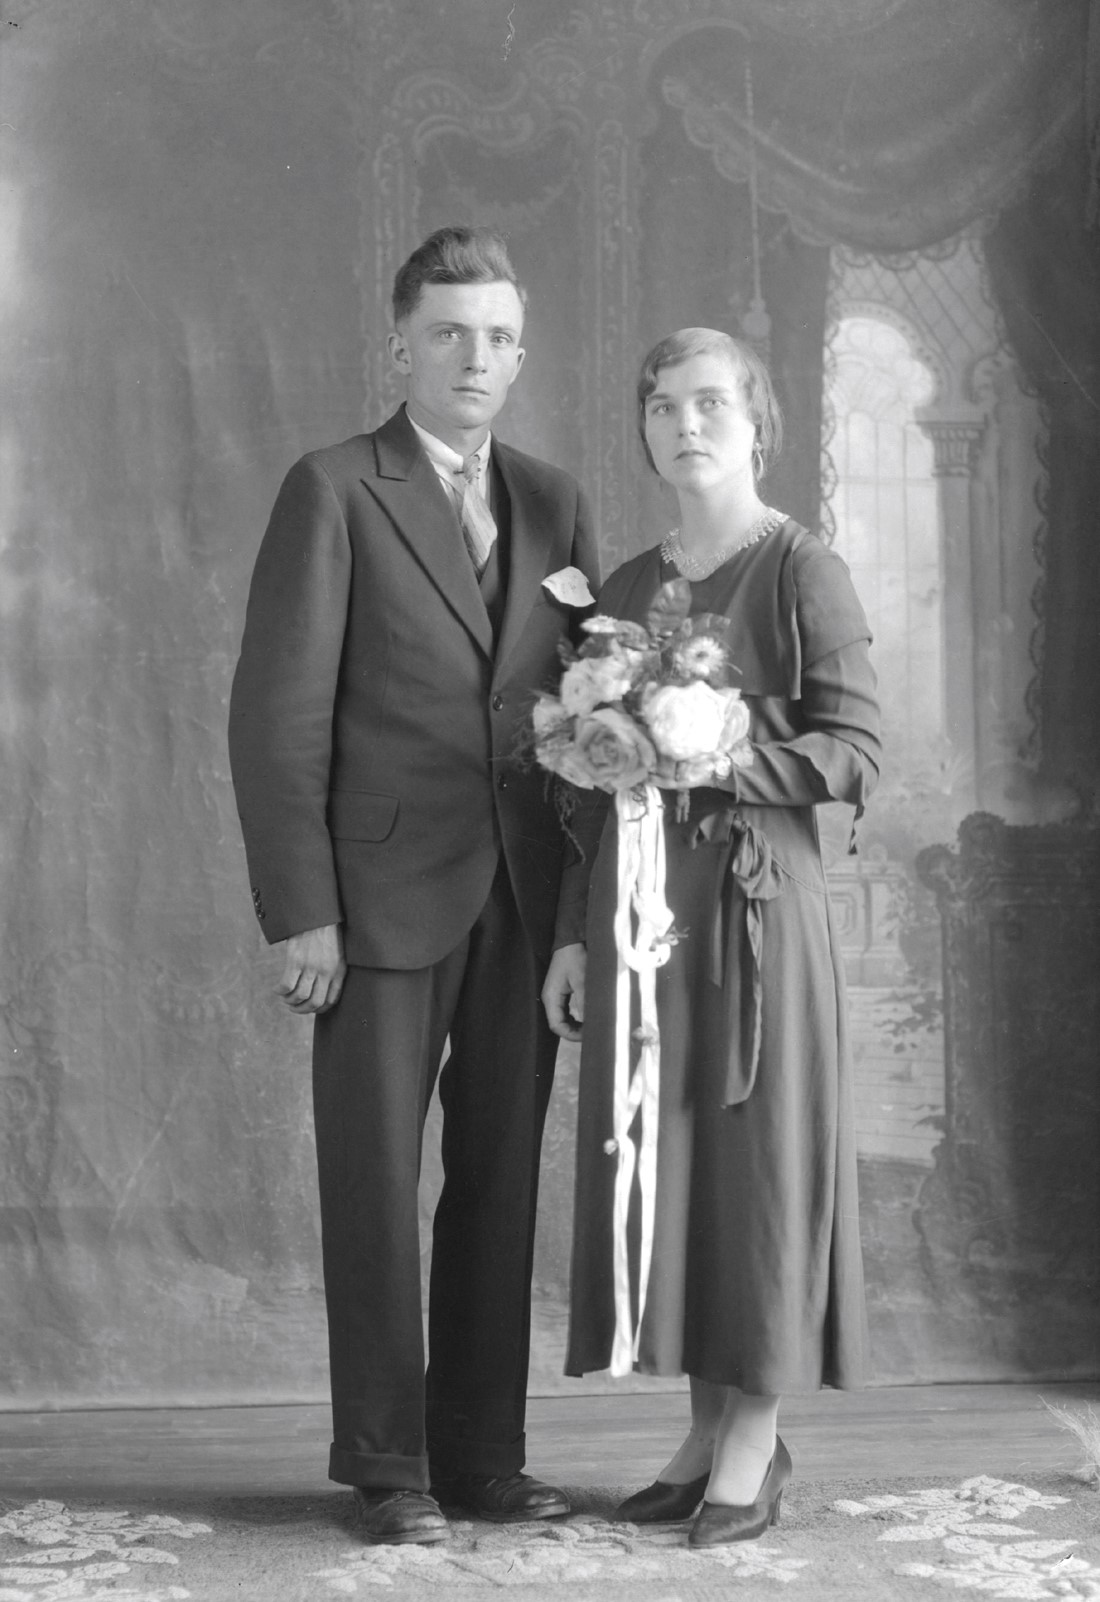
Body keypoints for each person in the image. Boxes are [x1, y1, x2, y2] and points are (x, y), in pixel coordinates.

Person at [228, 226, 598, 1546]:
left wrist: (572, 922)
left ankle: (483, 1459)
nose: (477, 357)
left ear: (520, 347)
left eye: (499, 335)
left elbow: (587, 726)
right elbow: (276, 719)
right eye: (451, 332)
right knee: (377, 1182)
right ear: (403, 342)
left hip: (521, 893)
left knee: (500, 1180)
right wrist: (302, 909)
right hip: (375, 901)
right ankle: (388, 1464)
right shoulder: (333, 488)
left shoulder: (557, 500)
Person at [542, 327, 881, 1546]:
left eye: (708, 404)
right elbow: (590, 791)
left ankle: (754, 1435)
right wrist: (577, 939)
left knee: (757, 1170)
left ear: (756, 420)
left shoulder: (800, 566)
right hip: (644, 927)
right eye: (660, 406)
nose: (684, 425)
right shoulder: (625, 588)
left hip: (755, 916)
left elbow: (855, 748)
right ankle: (699, 1428)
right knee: (678, 1170)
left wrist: (727, 758)